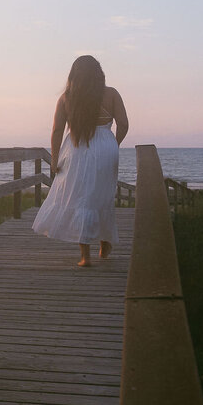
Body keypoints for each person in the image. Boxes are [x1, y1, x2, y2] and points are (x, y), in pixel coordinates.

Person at [31, 55, 129, 266]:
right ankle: (105, 242)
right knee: (103, 196)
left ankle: (85, 255)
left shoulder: (67, 98)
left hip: (77, 148)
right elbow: (124, 124)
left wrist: (55, 158)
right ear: (98, 73)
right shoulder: (111, 94)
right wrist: (114, 144)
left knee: (80, 197)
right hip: (106, 147)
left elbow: (57, 131)